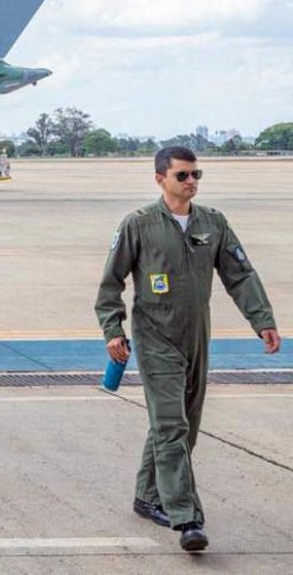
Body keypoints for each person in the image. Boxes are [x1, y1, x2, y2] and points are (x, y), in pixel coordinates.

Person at [95, 146, 280, 553]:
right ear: (159, 178)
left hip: (196, 335)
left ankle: (147, 496)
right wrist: (113, 328)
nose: (191, 181)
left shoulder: (213, 223)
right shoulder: (138, 224)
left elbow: (240, 274)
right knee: (171, 426)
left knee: (182, 424)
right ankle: (186, 517)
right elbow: (111, 283)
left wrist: (262, 320)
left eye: (197, 174)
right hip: (155, 336)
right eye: (182, 175)